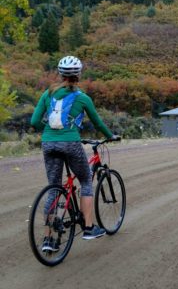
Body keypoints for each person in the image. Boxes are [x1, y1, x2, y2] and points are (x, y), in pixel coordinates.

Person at [31, 55, 120, 251]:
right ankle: (88, 228)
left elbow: (34, 121)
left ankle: (48, 240)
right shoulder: (82, 98)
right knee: (86, 179)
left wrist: (49, 132)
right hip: (70, 142)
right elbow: (97, 123)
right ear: (78, 75)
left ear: (60, 74)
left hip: (48, 143)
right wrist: (110, 136)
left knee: (53, 188)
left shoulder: (48, 94)